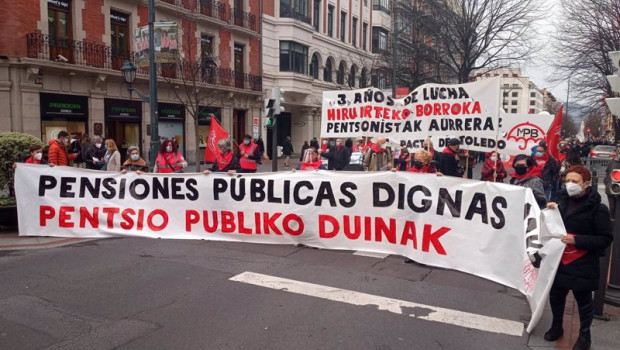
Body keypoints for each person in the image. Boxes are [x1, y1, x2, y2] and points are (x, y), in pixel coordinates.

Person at [545, 165, 612, 350]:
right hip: (560, 258)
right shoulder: (561, 202)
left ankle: (584, 336)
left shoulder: (598, 209)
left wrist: (577, 240)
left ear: (586, 184)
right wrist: (551, 211)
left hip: (583, 261)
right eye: (567, 181)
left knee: (583, 300)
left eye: (575, 181)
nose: (570, 185)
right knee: (557, 295)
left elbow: (605, 238)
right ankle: (556, 326)